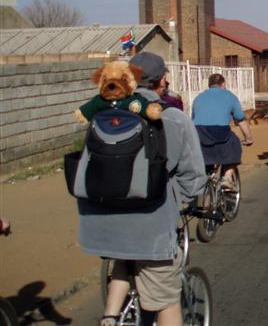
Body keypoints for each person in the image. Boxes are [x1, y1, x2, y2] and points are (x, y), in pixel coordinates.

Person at [77, 52, 207, 326]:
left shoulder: (101, 114)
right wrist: (179, 202)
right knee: (166, 300)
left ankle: (110, 317)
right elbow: (194, 177)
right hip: (152, 225)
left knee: (122, 260)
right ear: (162, 81)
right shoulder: (174, 118)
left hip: (102, 222)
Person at [191, 73, 254, 191]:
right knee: (235, 143)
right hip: (220, 133)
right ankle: (227, 177)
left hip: (199, 133)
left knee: (205, 160)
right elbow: (241, 120)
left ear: (209, 85)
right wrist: (248, 138)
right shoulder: (229, 96)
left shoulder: (198, 97)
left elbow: (193, 119)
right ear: (223, 84)